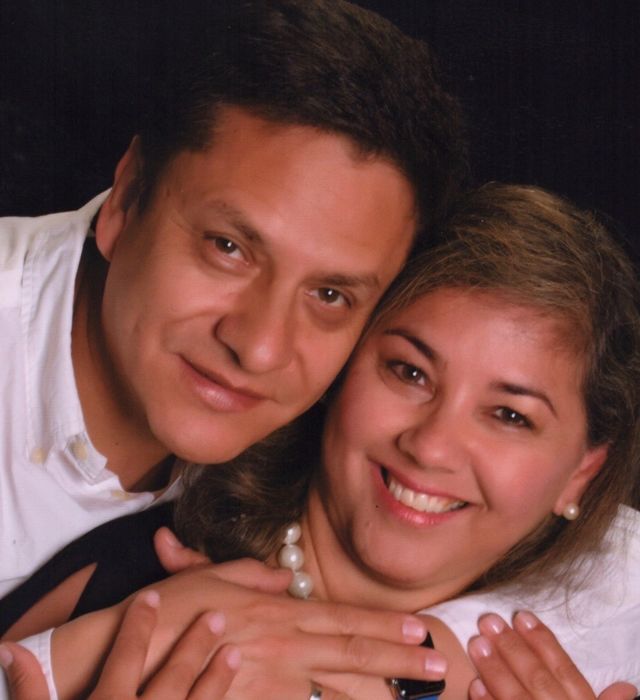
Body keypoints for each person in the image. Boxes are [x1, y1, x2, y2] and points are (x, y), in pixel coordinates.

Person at [4, 184, 639, 699]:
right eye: (409, 372)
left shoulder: (597, 641)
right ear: (343, 368)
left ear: (582, 473)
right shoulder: (132, 593)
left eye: (509, 415)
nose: (431, 447)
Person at [0, 0, 467, 694]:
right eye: (228, 247)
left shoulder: (357, 404)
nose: (261, 347)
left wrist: (448, 657)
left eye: (329, 294)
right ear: (127, 199)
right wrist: (77, 660)